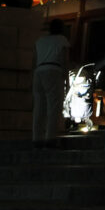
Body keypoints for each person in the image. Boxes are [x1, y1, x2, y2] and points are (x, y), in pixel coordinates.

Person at [33, 18, 71, 148]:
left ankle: (36, 138)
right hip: (54, 70)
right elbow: (65, 61)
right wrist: (67, 80)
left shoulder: (40, 41)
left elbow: (34, 61)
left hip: (38, 71)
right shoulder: (62, 40)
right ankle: (50, 138)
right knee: (53, 106)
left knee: (39, 107)